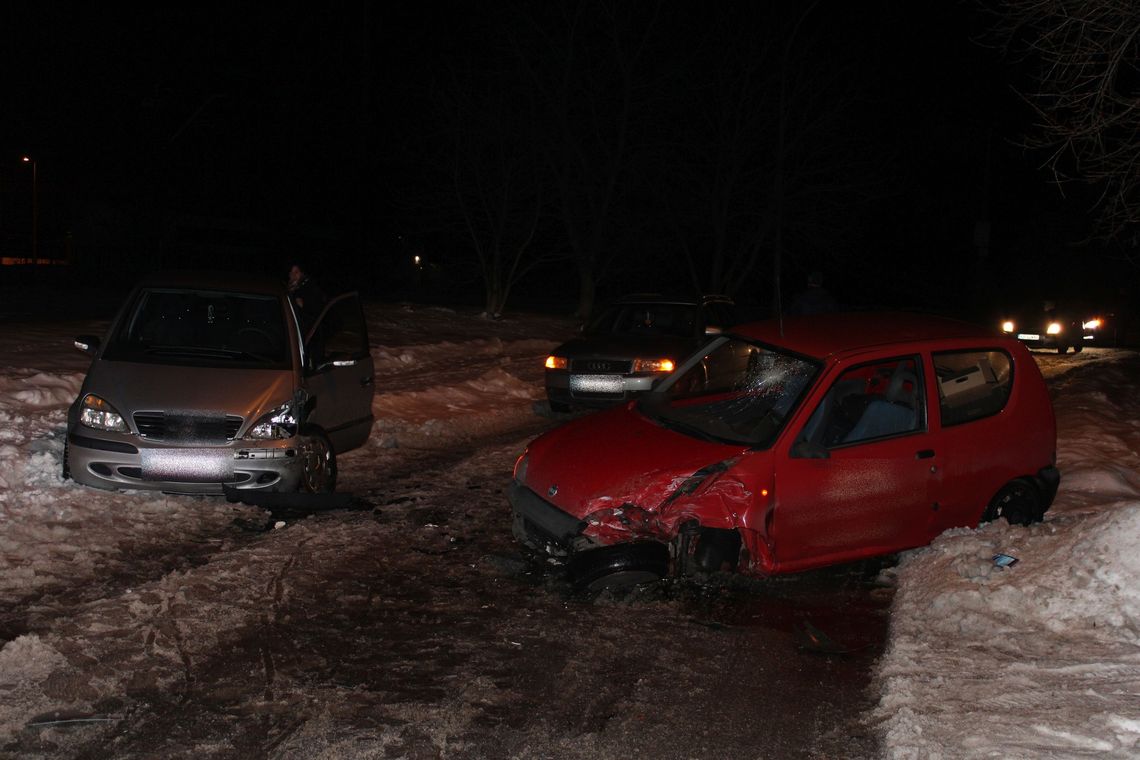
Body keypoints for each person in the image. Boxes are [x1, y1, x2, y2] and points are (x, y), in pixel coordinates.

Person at [287, 262, 327, 335]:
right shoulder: (288, 287)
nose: (293, 275)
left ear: (302, 273)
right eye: (291, 272)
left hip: (310, 330)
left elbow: (318, 307)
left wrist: (304, 304)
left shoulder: (310, 286)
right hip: (293, 326)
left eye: (296, 272)